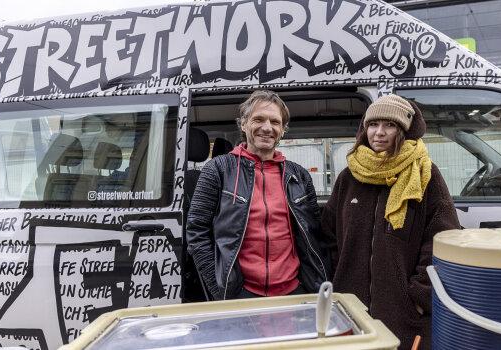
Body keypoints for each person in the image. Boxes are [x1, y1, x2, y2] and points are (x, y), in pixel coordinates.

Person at [321, 94, 461, 349]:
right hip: (351, 308)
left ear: (404, 131)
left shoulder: (425, 173)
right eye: (373, 125)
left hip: (404, 312)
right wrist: (339, 279)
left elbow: (443, 237)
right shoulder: (348, 177)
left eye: (390, 125)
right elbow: (328, 235)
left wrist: (420, 294)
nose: (379, 133)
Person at [186, 90, 329, 300]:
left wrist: (311, 285)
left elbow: (313, 234)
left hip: (295, 290)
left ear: (282, 130)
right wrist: (221, 290)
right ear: (244, 124)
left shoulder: (299, 176)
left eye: (275, 122)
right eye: (258, 119)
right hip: (241, 293)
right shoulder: (218, 169)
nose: (267, 127)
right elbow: (197, 232)